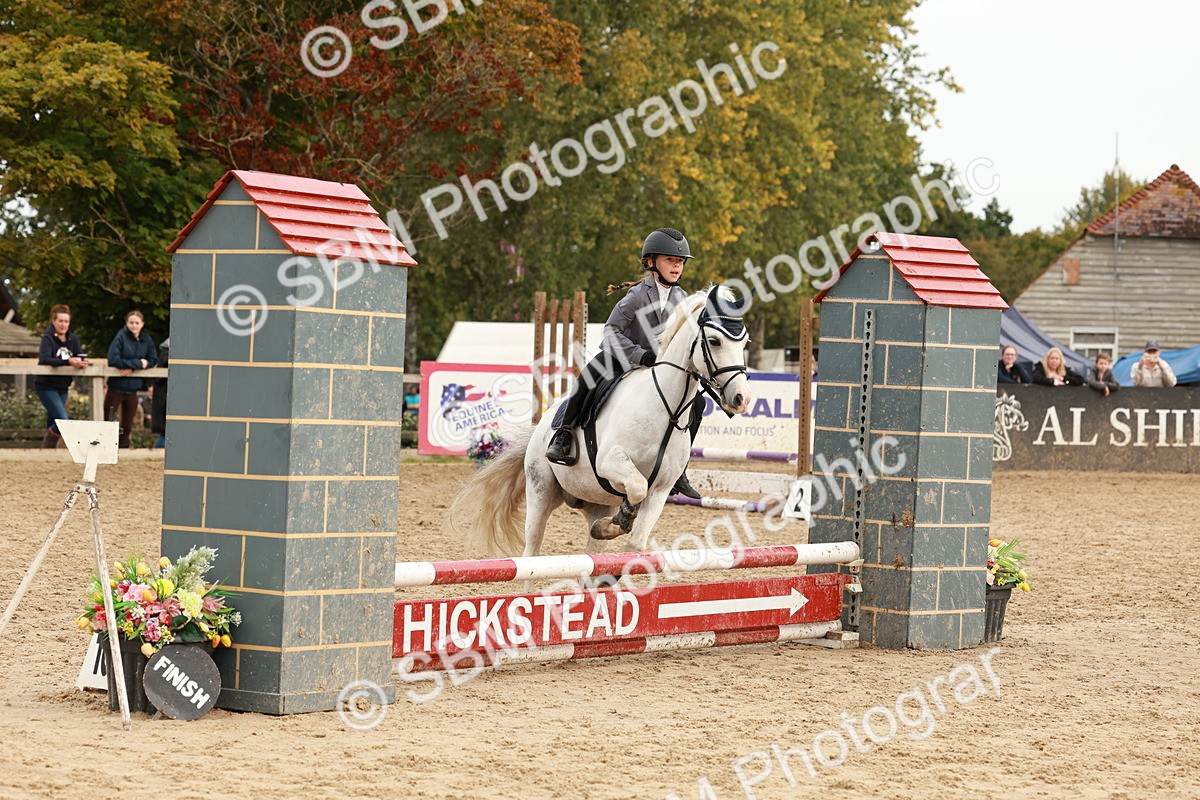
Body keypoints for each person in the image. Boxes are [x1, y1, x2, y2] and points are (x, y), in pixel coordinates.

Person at [545, 227, 703, 499]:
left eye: (680, 262)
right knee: (589, 379)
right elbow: (610, 331)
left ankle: (680, 467)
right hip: (621, 357)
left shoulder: (682, 299)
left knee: (696, 402)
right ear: (651, 262)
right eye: (670, 260)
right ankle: (564, 433)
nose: (677, 266)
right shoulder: (637, 296)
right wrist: (639, 355)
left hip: (657, 368)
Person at [34, 304, 88, 448]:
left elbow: (78, 356)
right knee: (63, 421)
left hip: (63, 386)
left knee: (54, 422)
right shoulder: (47, 338)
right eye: (60, 321)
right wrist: (67, 361)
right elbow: (44, 359)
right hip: (46, 385)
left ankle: (48, 455)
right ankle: (46, 446)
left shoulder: (73, 339)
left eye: (66, 321)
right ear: (54, 321)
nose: (63, 324)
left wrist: (82, 362)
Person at [105, 310, 158, 448]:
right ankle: (106, 449)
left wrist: (134, 367)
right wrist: (139, 363)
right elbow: (113, 359)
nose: (134, 325)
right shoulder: (121, 336)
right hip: (116, 387)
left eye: (137, 323)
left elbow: (152, 359)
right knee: (108, 422)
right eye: (131, 322)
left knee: (128, 426)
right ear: (126, 323)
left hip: (133, 389)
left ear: (142, 324)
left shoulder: (146, 339)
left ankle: (123, 450)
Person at [149, 337, 169, 449]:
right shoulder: (166, 351)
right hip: (164, 394)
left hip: (166, 393)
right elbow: (165, 361)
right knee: (164, 433)